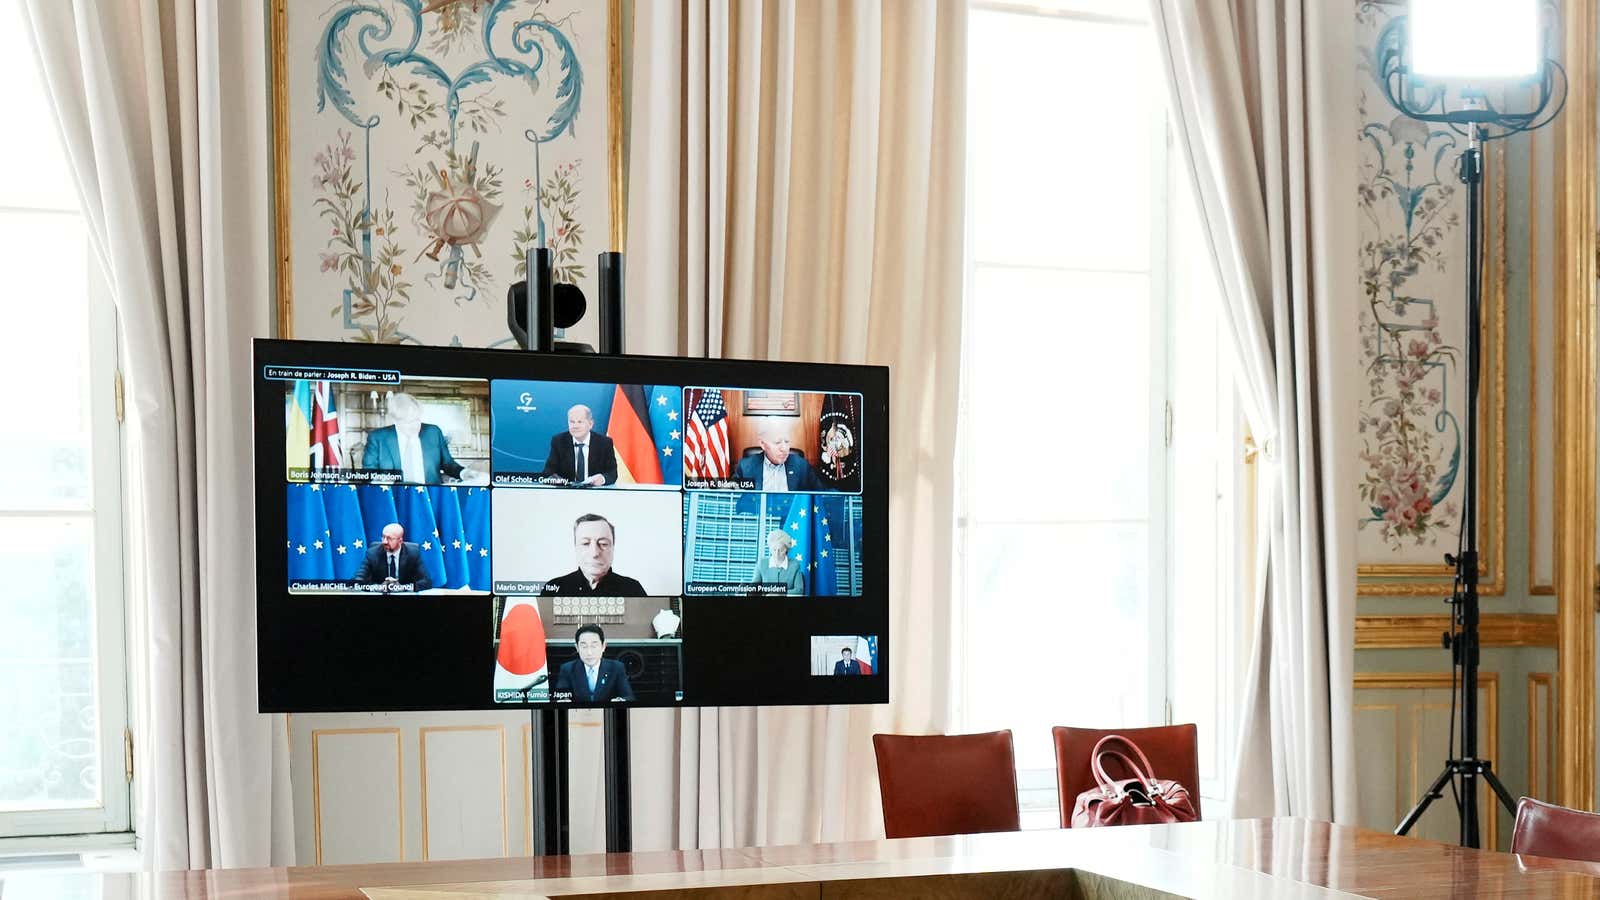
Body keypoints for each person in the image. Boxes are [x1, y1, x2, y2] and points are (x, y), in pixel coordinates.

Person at [362, 392, 467, 484]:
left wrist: (465, 473)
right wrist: (383, 480)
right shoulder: (377, 438)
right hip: (394, 500)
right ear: (395, 420)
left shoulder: (433, 432)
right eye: (409, 421)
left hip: (431, 497)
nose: (415, 425)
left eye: (417, 419)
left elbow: (448, 464)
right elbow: (368, 474)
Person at [543, 514, 648, 596]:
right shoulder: (555, 588)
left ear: (613, 548)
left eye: (603, 544)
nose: (594, 553)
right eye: (585, 543)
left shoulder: (633, 589)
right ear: (575, 547)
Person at [734, 418, 822, 492]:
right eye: (777, 442)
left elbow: (822, 494)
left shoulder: (801, 465)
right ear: (762, 444)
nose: (784, 448)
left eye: (787, 442)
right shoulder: (746, 467)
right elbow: (731, 497)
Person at [553, 624, 635, 702]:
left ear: (603, 646)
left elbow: (629, 697)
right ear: (577, 647)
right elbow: (560, 696)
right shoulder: (567, 669)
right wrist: (563, 701)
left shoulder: (616, 667)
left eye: (594, 646)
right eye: (584, 646)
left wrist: (620, 701)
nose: (589, 652)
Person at [539, 404, 618, 486]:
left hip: (595, 493)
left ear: (590, 424)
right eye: (572, 422)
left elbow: (612, 473)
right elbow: (548, 472)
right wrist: (556, 479)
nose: (575, 426)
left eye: (580, 422)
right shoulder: (559, 441)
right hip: (566, 493)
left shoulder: (604, 443)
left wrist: (602, 479)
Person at [353, 523, 433, 592]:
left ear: (400, 541)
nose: (384, 542)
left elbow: (426, 582)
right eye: (383, 537)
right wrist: (378, 587)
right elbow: (357, 580)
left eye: (389, 538)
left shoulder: (413, 553)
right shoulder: (372, 553)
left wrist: (402, 588)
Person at [752, 529, 805, 595]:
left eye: (781, 550)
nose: (777, 553)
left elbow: (799, 590)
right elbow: (754, 588)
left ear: (786, 549)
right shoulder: (762, 563)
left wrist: (780, 594)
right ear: (770, 549)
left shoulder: (795, 565)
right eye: (774, 550)